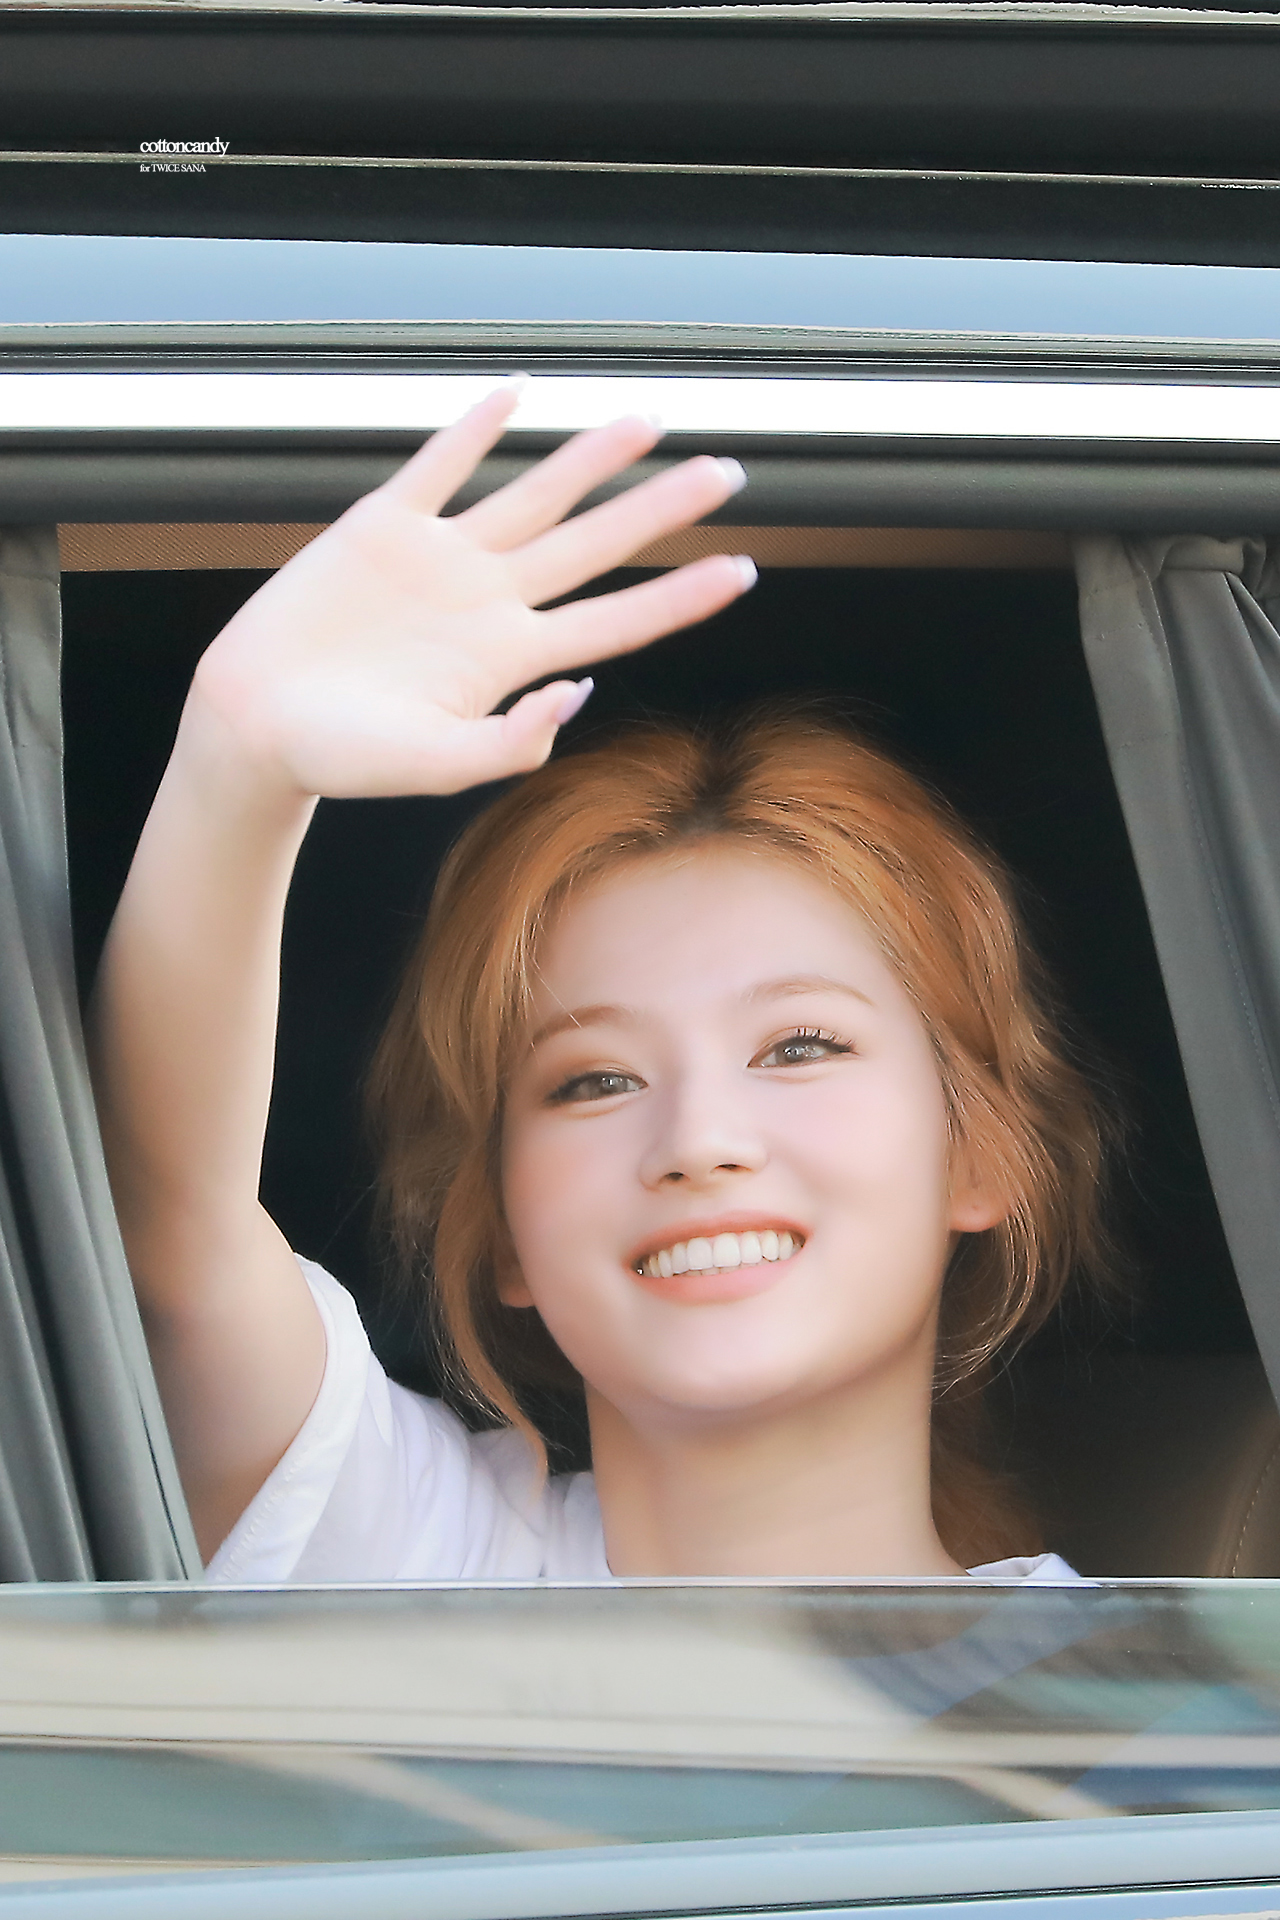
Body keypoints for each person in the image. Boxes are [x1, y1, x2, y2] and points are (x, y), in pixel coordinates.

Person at [88, 382, 1104, 1585]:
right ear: (503, 1229)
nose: (699, 1142)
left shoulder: (1134, 1691)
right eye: (593, 1080)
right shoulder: (426, 1558)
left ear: (981, 1153)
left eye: (799, 1047)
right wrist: (236, 766)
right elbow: (172, 1240)